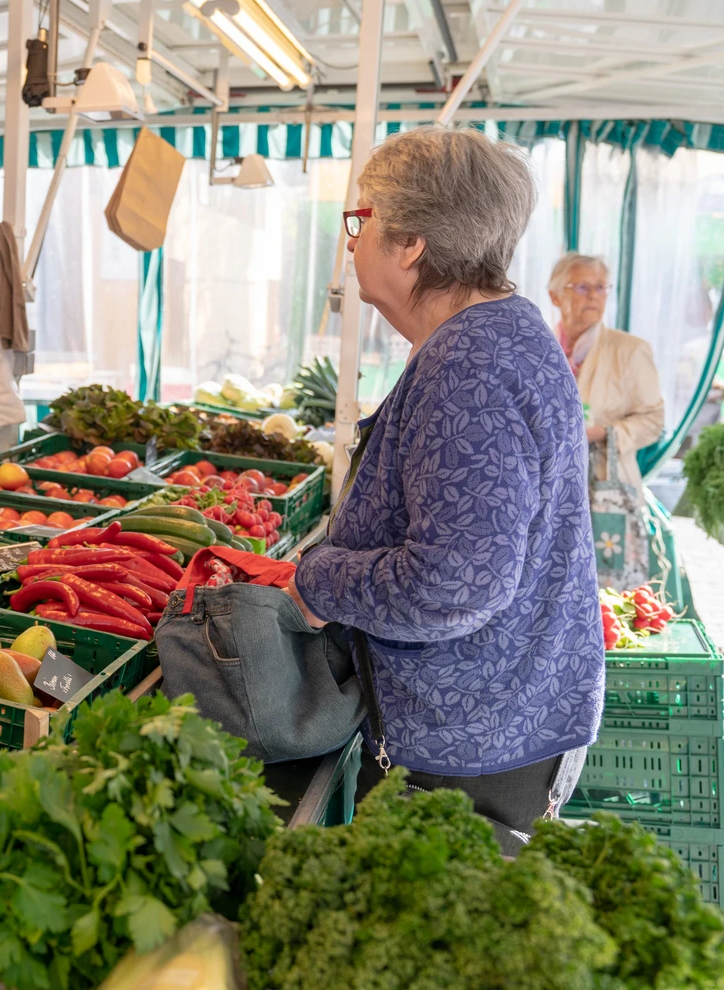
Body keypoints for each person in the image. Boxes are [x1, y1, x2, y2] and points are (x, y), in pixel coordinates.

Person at [284, 127, 603, 838]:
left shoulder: (469, 364)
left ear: (409, 244)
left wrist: (319, 581)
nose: (351, 242)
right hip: (504, 716)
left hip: (473, 743)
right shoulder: (499, 330)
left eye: (361, 221)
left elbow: (454, 584)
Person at [547, 253, 665, 492]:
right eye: (582, 287)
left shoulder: (630, 350)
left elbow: (654, 421)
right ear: (555, 296)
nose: (593, 295)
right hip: (549, 483)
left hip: (607, 488)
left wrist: (603, 433)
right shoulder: (540, 348)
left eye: (601, 287)